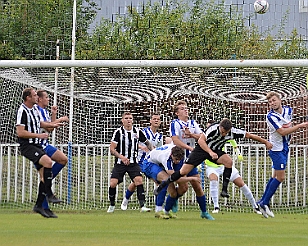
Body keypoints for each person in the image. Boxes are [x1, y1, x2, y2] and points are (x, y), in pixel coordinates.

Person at [154, 118, 273, 204]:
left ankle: (224, 190)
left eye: (226, 133)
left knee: (229, 162)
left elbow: (250, 136)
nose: (224, 134)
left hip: (215, 150)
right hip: (202, 149)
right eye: (222, 132)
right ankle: (162, 185)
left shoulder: (234, 132)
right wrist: (210, 152)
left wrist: (265, 142)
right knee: (183, 171)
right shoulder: (212, 129)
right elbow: (201, 141)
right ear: (220, 127)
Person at [257, 91, 308, 218]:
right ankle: (264, 203)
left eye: (274, 100)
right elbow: (282, 132)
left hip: (285, 147)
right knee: (280, 177)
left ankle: (262, 202)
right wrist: (300, 126)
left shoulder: (288, 110)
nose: (272, 103)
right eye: (270, 102)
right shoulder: (270, 116)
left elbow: (292, 115)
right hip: (276, 149)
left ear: (280, 100)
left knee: (275, 176)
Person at [16, 88, 63, 218]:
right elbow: (20, 132)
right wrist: (39, 135)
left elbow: (39, 123)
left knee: (44, 176)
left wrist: (52, 125)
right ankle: (49, 194)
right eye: (35, 95)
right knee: (48, 162)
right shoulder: (22, 111)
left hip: (37, 144)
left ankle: (39, 205)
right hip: (28, 146)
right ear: (27, 98)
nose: (37, 97)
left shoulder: (35, 109)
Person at [167, 100, 214, 220]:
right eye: (182, 108)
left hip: (191, 159)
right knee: (183, 187)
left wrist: (191, 135)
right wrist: (190, 148)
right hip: (179, 158)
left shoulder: (193, 123)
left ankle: (204, 212)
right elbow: (176, 140)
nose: (186, 110)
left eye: (186, 108)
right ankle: (172, 202)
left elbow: (203, 137)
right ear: (177, 113)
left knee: (197, 185)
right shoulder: (175, 123)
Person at [204, 121, 261, 214]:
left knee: (241, 183)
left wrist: (237, 151)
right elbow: (199, 144)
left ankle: (255, 206)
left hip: (224, 165)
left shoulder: (225, 134)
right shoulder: (208, 136)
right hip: (211, 165)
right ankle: (216, 207)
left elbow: (233, 140)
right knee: (213, 179)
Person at [107, 111, 153, 213]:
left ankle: (143, 206)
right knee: (113, 183)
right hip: (120, 163)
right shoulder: (118, 132)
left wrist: (153, 152)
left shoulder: (137, 132)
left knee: (139, 181)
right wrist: (121, 157)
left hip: (133, 163)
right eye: (126, 118)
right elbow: (112, 149)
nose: (129, 120)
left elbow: (147, 143)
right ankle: (112, 205)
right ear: (122, 120)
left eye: (130, 118)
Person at [141, 144, 198, 219]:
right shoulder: (166, 158)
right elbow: (175, 178)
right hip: (149, 164)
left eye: (179, 159)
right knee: (165, 179)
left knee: (175, 192)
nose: (178, 161)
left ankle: (166, 211)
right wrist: (192, 179)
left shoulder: (178, 152)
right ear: (172, 155)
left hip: (159, 164)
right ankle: (158, 210)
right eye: (176, 159)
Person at [36, 89, 69, 218]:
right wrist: (60, 119)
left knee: (63, 160)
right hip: (38, 147)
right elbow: (48, 127)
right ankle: (45, 208)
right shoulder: (36, 111)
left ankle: (47, 179)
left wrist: (54, 115)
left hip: (45, 145)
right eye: (46, 97)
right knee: (45, 178)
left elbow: (50, 128)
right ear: (39, 99)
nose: (48, 99)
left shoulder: (44, 111)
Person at [121, 112, 163, 211]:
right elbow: (134, 141)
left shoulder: (160, 136)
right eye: (154, 119)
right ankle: (125, 200)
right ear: (150, 121)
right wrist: (141, 147)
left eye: (158, 119)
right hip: (140, 161)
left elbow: (159, 150)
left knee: (159, 182)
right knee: (136, 182)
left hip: (151, 163)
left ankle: (158, 206)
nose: (156, 121)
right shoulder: (143, 132)